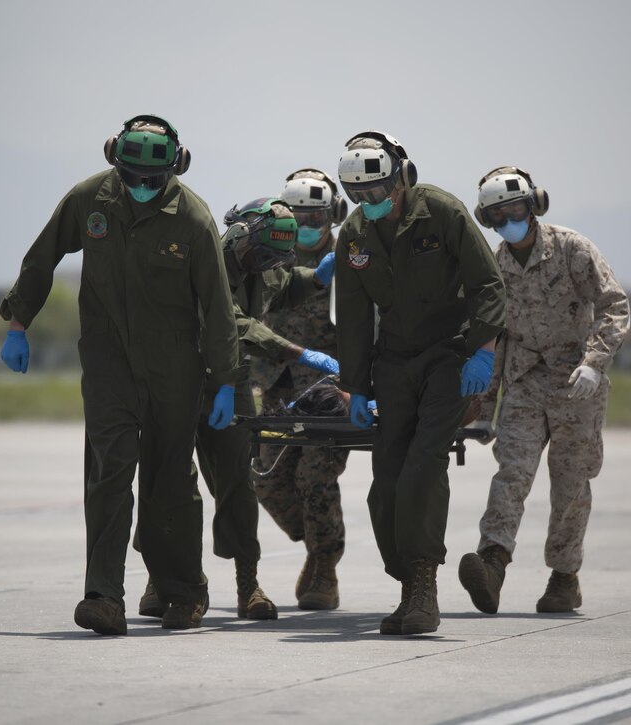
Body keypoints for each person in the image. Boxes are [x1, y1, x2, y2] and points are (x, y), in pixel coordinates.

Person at [0, 114, 241, 635]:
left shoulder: (193, 220)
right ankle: (104, 596)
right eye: (132, 178)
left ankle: (184, 592)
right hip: (108, 363)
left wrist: (225, 380)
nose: (141, 189)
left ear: (175, 169)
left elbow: (218, 308)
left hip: (174, 370)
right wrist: (19, 322)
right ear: (115, 160)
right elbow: (43, 257)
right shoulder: (92, 200)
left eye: (153, 181)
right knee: (108, 473)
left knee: (168, 481)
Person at [333, 131, 506, 635]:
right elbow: (354, 313)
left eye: (376, 191)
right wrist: (356, 385)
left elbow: (488, 284)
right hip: (394, 362)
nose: (368, 203)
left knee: (422, 466)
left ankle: (424, 590)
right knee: (385, 481)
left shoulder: (443, 213)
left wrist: (483, 353)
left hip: (450, 357)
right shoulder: (355, 235)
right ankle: (408, 582)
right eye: (357, 196)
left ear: (402, 178)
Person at [137, 197, 340, 621]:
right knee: (168, 482)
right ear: (240, 236)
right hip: (178, 379)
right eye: (261, 253)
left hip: (231, 382)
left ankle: (248, 583)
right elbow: (233, 322)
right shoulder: (205, 258)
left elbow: (281, 286)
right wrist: (297, 351)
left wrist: (315, 279)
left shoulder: (260, 262)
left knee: (237, 485)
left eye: (273, 257)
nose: (266, 262)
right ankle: (162, 579)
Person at [457, 166, 630, 615]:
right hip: (524, 383)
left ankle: (564, 577)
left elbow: (615, 306)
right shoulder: (495, 266)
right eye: (497, 215)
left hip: (576, 383)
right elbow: (494, 336)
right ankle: (492, 563)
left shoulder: (573, 249)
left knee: (570, 482)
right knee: (511, 472)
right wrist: (483, 403)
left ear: (534, 205)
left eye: (514, 208)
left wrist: (595, 363)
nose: (507, 220)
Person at [251, 169, 350, 611]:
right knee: (267, 481)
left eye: (318, 216)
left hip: (329, 391)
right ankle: (313, 539)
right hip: (275, 385)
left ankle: (324, 566)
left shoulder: (352, 256)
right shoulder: (268, 253)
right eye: (300, 216)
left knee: (315, 478)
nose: (309, 225)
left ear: (334, 215)